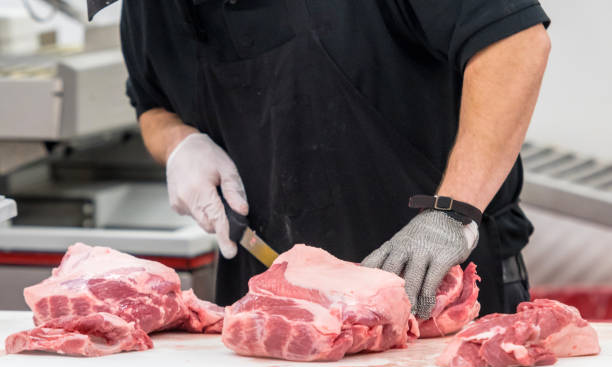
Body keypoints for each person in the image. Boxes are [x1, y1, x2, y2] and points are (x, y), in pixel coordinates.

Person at [91, 0, 551, 318]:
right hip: (273, 310)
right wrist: (177, 143)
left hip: (437, 293)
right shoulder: (151, 8)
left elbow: (515, 45)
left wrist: (450, 214)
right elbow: (150, 103)